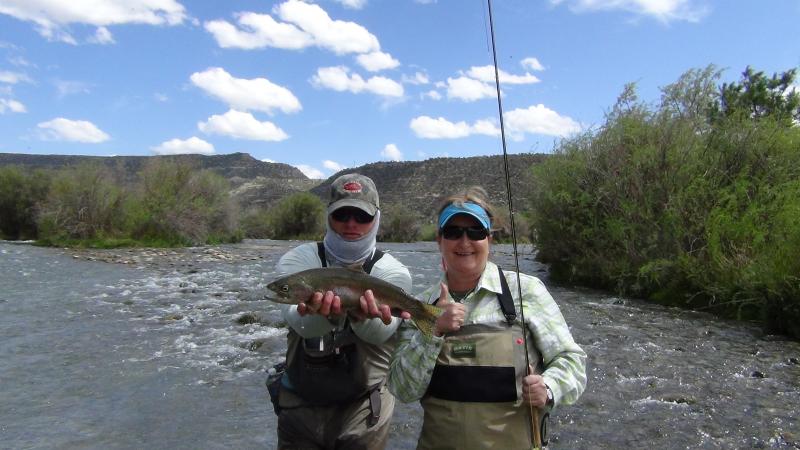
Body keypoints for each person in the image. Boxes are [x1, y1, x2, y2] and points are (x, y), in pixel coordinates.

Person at [388, 186, 587, 449]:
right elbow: (402, 389)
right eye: (453, 232)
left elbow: (572, 360)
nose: (464, 241)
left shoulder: (526, 291)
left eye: (476, 232)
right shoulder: (419, 305)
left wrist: (549, 388)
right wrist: (434, 331)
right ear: (439, 240)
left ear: (489, 240)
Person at [271, 173, 412, 450]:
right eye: (342, 214)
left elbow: (377, 333)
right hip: (300, 406)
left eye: (362, 216)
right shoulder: (297, 262)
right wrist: (329, 314)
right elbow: (299, 323)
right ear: (328, 216)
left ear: (376, 218)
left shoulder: (393, 272)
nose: (351, 223)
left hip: (365, 409)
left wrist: (358, 314)